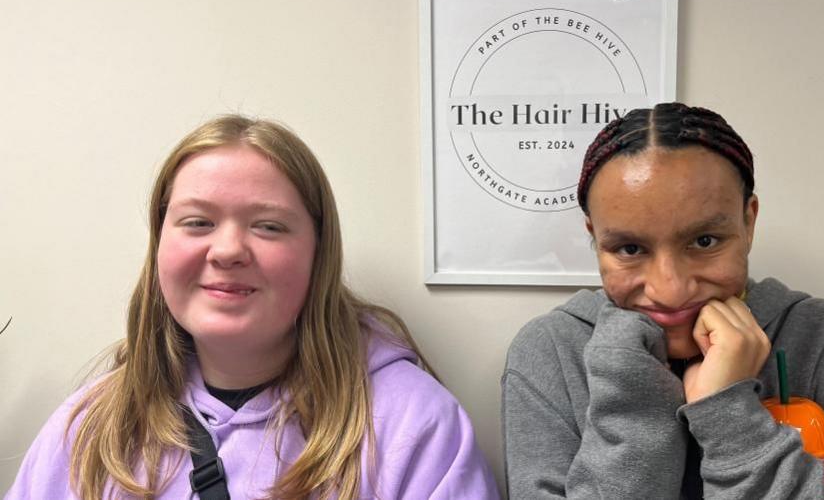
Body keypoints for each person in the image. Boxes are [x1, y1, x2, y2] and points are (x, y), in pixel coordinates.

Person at [6, 115, 500, 500]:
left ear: (318, 252)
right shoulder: (92, 429)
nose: (227, 251)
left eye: (268, 226)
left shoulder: (412, 427)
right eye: (197, 222)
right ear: (159, 244)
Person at [502, 103, 824, 498]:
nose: (670, 288)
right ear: (594, 237)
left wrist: (732, 423)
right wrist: (631, 388)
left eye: (705, 240)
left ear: (748, 221)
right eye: (630, 250)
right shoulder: (551, 353)